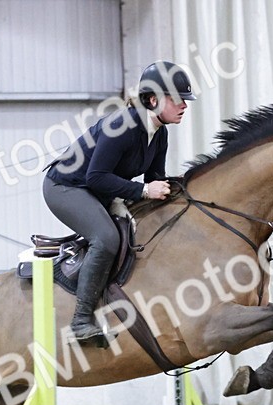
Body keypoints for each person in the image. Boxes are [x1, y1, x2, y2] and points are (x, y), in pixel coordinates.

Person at [43, 60, 195, 346]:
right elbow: (97, 177)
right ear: (152, 100)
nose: (184, 106)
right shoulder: (122, 125)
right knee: (106, 238)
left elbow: (155, 180)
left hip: (97, 190)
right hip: (64, 187)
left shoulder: (160, 133)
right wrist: (144, 191)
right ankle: (80, 321)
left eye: (184, 100)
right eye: (176, 100)